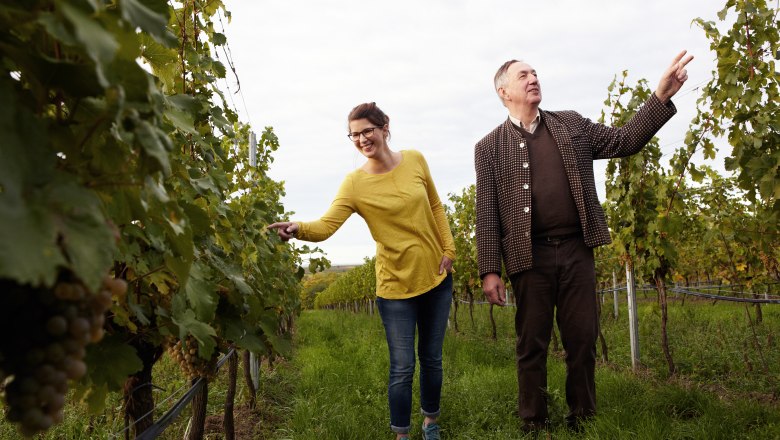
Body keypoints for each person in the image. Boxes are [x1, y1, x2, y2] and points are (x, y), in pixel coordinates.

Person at [474, 51, 694, 431]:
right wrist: (489, 269)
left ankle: (583, 418)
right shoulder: (489, 147)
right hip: (529, 256)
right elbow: (487, 211)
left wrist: (660, 98)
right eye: (523, 75)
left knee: (582, 340)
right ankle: (533, 421)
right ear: (503, 91)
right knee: (532, 345)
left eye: (535, 73)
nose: (533, 78)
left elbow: (624, 141)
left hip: (577, 249)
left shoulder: (571, 125)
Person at [268, 102, 456, 440]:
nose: (361, 139)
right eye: (353, 135)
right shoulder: (355, 184)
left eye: (366, 130)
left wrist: (449, 249)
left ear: (385, 126)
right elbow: (327, 225)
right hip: (395, 286)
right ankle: (401, 434)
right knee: (402, 368)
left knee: (431, 359)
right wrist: (298, 228)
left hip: (436, 278)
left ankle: (431, 422)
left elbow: (436, 206)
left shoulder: (415, 159)